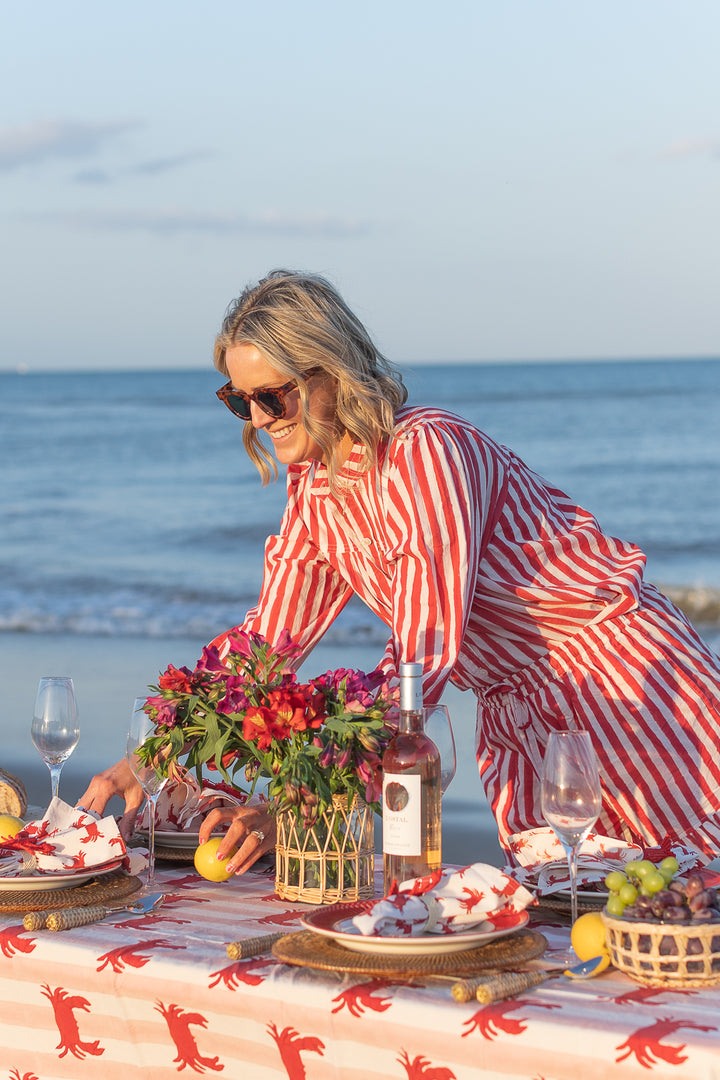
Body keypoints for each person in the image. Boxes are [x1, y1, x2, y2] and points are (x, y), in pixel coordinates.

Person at [79, 269, 720, 876]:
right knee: (565, 917)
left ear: (331, 371)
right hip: (513, 710)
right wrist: (155, 755)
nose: (258, 419)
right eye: (238, 400)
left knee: (688, 904)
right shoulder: (315, 490)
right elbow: (266, 645)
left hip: (624, 688)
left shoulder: (426, 451)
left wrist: (303, 802)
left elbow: (421, 655)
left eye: (272, 395)